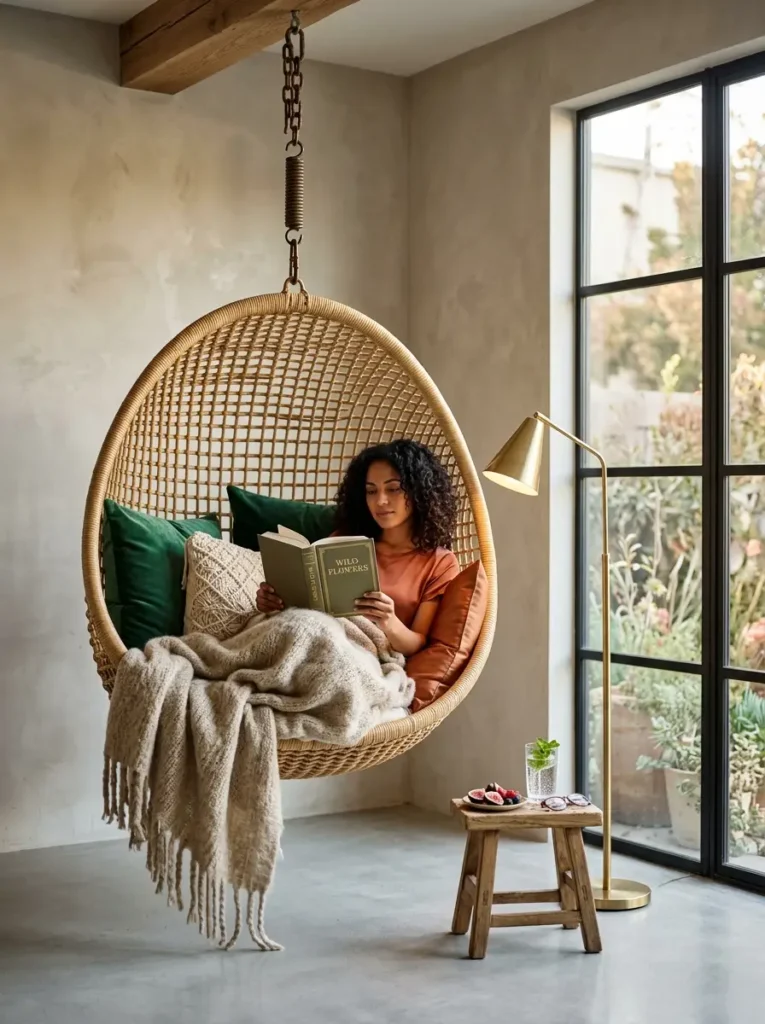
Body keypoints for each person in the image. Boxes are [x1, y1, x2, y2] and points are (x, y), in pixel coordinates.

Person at [256, 440, 459, 656]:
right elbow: (313, 609)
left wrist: (388, 621)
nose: (380, 501)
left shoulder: (439, 563)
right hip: (312, 641)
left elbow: (418, 644)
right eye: (371, 491)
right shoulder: (344, 540)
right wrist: (275, 603)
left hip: (366, 655)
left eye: (393, 489)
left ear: (420, 493)